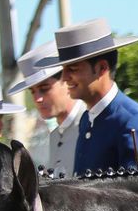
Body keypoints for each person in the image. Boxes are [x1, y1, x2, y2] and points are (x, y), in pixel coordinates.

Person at [37, 18, 138, 173]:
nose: (64, 77)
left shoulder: (133, 122)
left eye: (73, 68)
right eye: (64, 69)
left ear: (102, 68)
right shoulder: (87, 119)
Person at [8, 41, 86, 177]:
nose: (37, 99)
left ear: (68, 80)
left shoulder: (91, 124)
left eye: (45, 89)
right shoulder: (54, 136)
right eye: (32, 91)